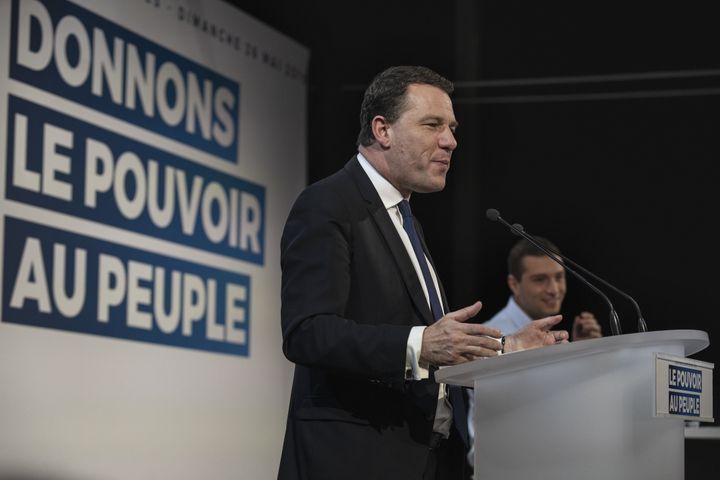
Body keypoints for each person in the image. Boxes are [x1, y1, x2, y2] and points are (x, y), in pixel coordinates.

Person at [277, 65, 569, 480]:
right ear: (383, 130)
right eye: (432, 125)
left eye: (451, 127)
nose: (450, 141)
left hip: (427, 460)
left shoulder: (406, 220)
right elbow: (307, 333)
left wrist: (506, 349)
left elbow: (435, 347)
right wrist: (420, 344)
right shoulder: (328, 205)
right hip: (356, 461)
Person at [466, 236, 603, 473]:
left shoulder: (550, 334)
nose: (554, 289)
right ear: (514, 284)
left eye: (559, 277)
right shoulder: (496, 338)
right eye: (540, 280)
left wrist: (584, 355)